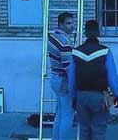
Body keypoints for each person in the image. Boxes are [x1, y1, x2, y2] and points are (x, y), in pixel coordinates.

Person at [68, 19, 118, 140]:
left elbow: (72, 78)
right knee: (99, 130)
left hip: (81, 95)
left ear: (85, 33)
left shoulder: (76, 52)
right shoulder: (105, 51)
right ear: (98, 32)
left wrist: (73, 97)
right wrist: (116, 94)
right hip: (100, 96)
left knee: (84, 129)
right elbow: (112, 76)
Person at [48, 11, 75, 140]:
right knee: (67, 114)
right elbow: (68, 66)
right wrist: (69, 81)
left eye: (72, 23)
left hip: (54, 77)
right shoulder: (65, 42)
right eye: (68, 23)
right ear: (61, 24)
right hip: (63, 80)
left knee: (60, 113)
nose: (72, 26)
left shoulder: (52, 37)